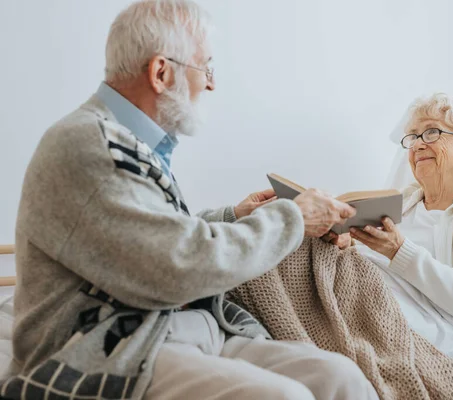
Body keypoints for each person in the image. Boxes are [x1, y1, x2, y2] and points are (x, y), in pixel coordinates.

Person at [0, 1, 379, 399]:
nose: (211, 84)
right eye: (206, 68)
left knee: (342, 377)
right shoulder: (88, 143)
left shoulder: (129, 142)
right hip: (109, 346)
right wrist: (294, 217)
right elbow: (176, 266)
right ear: (161, 72)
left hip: (174, 329)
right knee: (285, 396)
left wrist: (236, 216)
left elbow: (150, 238)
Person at [331, 93, 453, 368]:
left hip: (428, 324)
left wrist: (399, 251)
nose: (418, 145)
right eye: (412, 137)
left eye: (431, 133)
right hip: (361, 297)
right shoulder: (401, 200)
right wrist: (345, 241)